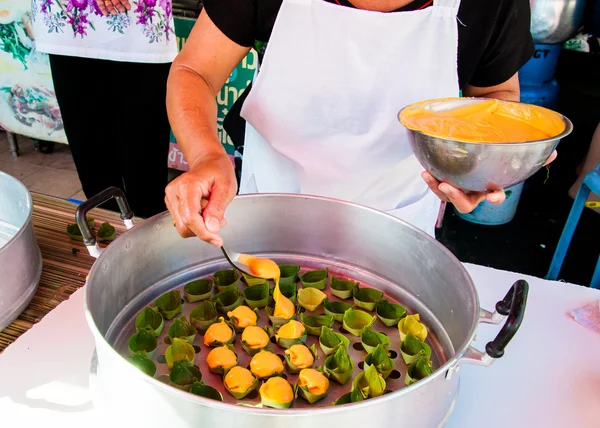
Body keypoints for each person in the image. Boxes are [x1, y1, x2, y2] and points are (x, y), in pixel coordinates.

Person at [165, 0, 553, 246]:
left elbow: (496, 98)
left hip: (398, 229)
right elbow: (195, 70)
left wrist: (478, 166)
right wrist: (205, 156)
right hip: (268, 212)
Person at [31, 0, 177, 217]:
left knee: (146, 168)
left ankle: (151, 244)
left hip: (141, 28)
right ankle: (108, 242)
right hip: (69, 26)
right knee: (94, 169)